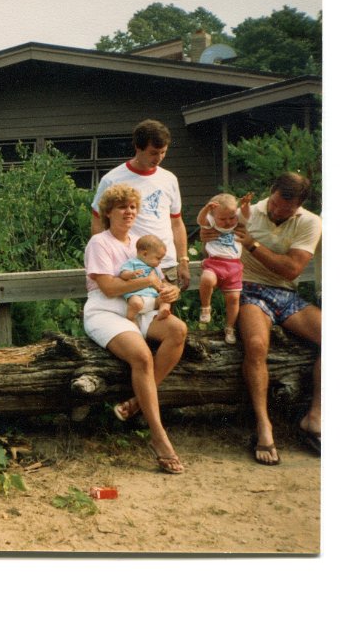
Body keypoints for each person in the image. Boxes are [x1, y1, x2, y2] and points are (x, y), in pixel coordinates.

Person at [83, 184, 187, 474]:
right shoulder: (99, 243)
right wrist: (148, 284)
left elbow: (160, 280)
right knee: (142, 356)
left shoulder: (140, 243)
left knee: (178, 330)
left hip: (142, 309)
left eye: (132, 207)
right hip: (106, 311)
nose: (129, 212)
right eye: (122, 207)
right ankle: (158, 435)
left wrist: (169, 293)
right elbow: (110, 286)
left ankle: (136, 403)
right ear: (108, 212)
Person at [228, 172, 321, 465]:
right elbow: (215, 234)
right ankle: (263, 425)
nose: (279, 211)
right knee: (256, 345)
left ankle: (315, 417)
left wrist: (253, 245)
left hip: (286, 292)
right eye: (277, 204)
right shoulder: (248, 212)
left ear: (300, 205)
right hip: (250, 290)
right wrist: (211, 234)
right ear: (272, 190)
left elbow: (292, 269)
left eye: (287, 208)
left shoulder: (310, 221)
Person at [91, 119, 191, 290]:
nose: (159, 158)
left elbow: (176, 222)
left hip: (167, 264)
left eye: (163, 152)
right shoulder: (113, 179)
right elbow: (97, 221)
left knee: (165, 314)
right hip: (133, 266)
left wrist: (183, 260)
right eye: (153, 153)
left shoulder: (169, 179)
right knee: (134, 313)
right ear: (138, 147)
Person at [196, 192, 253, 344]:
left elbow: (246, 214)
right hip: (214, 263)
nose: (228, 222)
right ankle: (206, 307)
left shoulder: (238, 222)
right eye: (222, 219)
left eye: (231, 217)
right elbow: (200, 220)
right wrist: (206, 209)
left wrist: (245, 205)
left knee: (233, 299)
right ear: (213, 217)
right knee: (207, 279)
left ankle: (230, 328)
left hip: (234, 266)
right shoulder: (211, 222)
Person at [118, 234, 170, 322]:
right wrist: (131, 274)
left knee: (165, 299)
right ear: (145, 254)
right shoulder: (132, 263)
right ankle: (131, 318)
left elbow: (159, 283)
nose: (160, 262)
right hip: (138, 296)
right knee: (135, 303)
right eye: (158, 258)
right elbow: (123, 274)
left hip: (153, 298)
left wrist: (164, 287)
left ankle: (162, 310)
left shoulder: (155, 268)